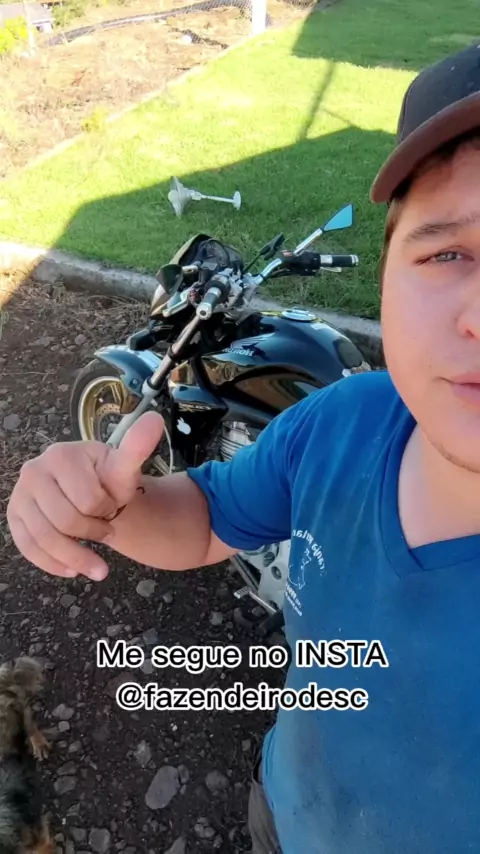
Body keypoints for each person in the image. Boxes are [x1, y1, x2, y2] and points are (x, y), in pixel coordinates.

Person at [7, 41, 480, 854]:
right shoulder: (340, 421)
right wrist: (112, 506)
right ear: (386, 282)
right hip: (288, 809)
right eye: (448, 253)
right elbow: (204, 517)